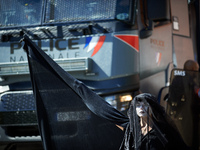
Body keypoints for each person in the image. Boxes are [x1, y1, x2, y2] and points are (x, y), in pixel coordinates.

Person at [119, 93, 189, 150]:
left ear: (152, 107)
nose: (141, 108)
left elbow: (180, 146)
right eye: (138, 105)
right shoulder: (132, 129)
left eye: (145, 105)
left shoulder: (164, 130)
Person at [167, 60, 199, 149]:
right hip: (189, 118)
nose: (197, 72)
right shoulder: (190, 82)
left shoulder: (177, 79)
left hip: (179, 117)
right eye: (197, 69)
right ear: (193, 69)